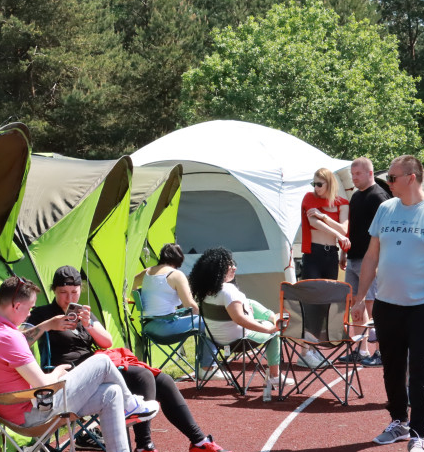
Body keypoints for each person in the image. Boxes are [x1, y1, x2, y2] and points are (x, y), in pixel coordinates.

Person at [29, 266, 233, 452]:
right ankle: (144, 448)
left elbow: (106, 342)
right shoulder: (42, 314)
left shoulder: (84, 313)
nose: (68, 298)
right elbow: (18, 339)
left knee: (163, 380)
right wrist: (48, 325)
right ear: (54, 291)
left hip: (98, 367)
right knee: (142, 375)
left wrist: (88, 324)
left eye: (74, 292)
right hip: (73, 375)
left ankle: (198, 442)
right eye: (63, 292)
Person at [0, 276, 161, 452]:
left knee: (111, 392)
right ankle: (131, 406)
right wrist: (59, 373)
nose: (30, 313)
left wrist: (48, 325)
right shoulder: (9, 338)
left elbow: (16, 342)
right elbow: (42, 384)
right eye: (29, 308)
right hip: (33, 414)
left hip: (6, 409)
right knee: (101, 361)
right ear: (16, 306)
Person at [351, 155, 424, 452]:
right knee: (392, 368)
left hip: (423, 305)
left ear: (411, 177)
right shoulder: (385, 209)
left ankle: (419, 434)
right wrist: (360, 298)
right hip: (386, 303)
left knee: (421, 371)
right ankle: (399, 421)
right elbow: (371, 256)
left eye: (393, 178)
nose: (388, 183)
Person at [188, 247, 284, 399]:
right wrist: (268, 330)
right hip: (241, 340)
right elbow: (239, 319)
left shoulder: (204, 291)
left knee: (250, 303)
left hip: (216, 340)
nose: (234, 267)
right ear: (219, 268)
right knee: (276, 332)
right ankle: (275, 375)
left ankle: (273, 317)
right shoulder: (228, 290)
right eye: (230, 265)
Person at [133, 243, 217, 380]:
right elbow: (189, 304)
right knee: (208, 324)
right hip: (167, 328)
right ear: (179, 258)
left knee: (199, 322)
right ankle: (207, 368)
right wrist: (201, 314)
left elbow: (132, 283)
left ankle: (206, 367)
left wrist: (138, 299)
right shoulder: (176, 275)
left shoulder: (147, 272)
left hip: (148, 327)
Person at [339, 158, 389, 369]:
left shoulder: (379, 197)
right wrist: (343, 252)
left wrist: (378, 261)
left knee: (372, 304)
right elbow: (352, 228)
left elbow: (384, 233)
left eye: (357, 174)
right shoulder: (356, 196)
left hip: (371, 260)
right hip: (353, 258)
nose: (354, 178)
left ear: (370, 173)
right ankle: (360, 349)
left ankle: (381, 351)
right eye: (352, 174)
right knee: (354, 305)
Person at [299, 168, 350, 368]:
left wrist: (326, 217)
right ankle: (305, 351)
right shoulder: (309, 198)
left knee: (326, 302)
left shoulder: (342, 203)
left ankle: (313, 348)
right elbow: (314, 223)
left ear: (330, 184)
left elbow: (345, 228)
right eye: (314, 184)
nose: (316, 188)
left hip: (331, 255)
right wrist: (337, 233)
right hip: (313, 254)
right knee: (312, 301)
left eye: (319, 184)